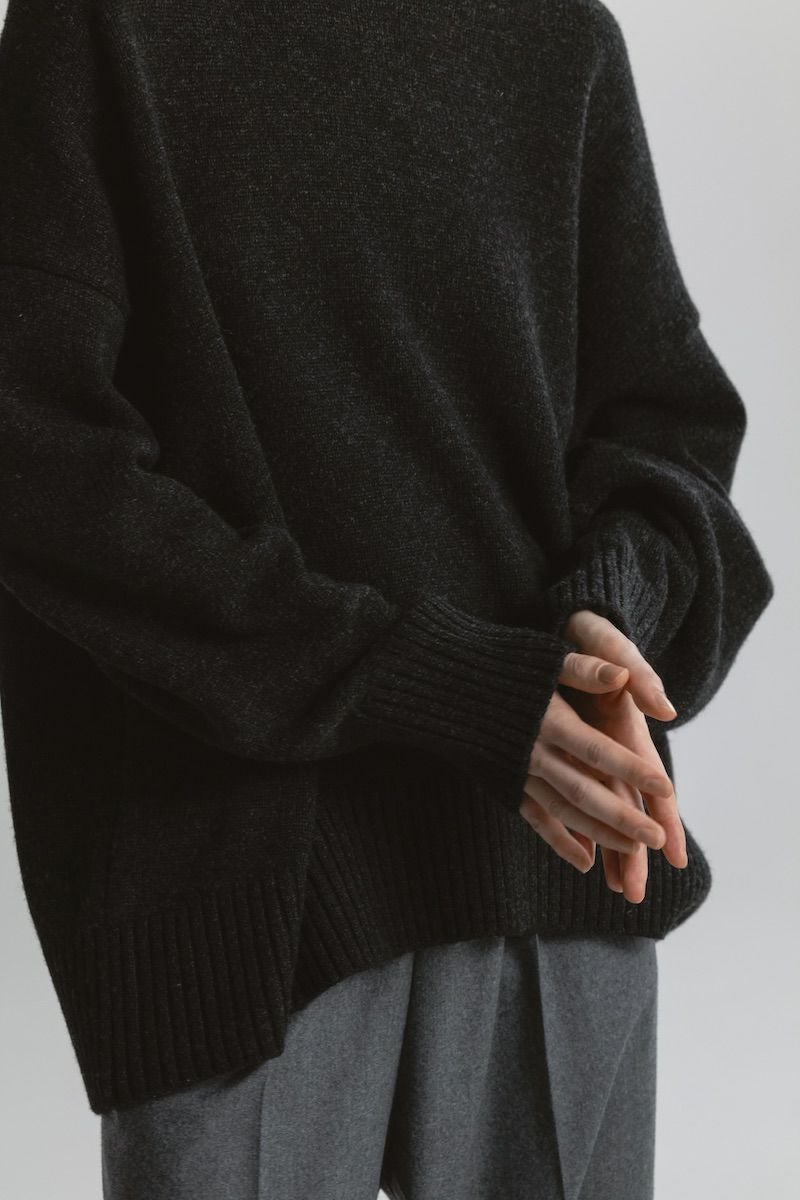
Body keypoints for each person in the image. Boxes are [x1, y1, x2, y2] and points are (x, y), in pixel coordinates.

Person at [0, 1, 774, 1197]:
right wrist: (431, 682)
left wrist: (606, 615)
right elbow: (37, 455)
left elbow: (666, 424)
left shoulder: (556, 36)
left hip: (550, 847)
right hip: (245, 883)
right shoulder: (105, 23)